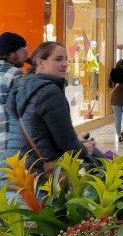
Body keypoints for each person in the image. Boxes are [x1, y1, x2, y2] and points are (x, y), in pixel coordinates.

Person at [5, 41, 97, 172]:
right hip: (40, 172)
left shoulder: (21, 85)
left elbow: (37, 128)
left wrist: (76, 140)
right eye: (58, 59)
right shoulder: (50, 91)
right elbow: (67, 143)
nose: (65, 63)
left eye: (66, 59)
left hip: (16, 169)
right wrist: (84, 149)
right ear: (40, 63)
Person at [0, 32, 28, 152]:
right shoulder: (14, 74)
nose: (27, 53)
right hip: (9, 144)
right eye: (23, 49)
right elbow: (25, 112)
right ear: (11, 53)